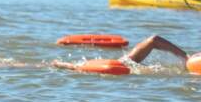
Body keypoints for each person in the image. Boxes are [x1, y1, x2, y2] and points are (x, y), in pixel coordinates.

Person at [52, 34, 188, 70]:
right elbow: (76, 67)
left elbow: (76, 67)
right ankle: (185, 57)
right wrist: (60, 64)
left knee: (154, 40)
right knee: (154, 40)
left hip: (122, 63)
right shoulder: (98, 67)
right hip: (120, 65)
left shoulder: (119, 64)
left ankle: (186, 57)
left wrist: (59, 64)